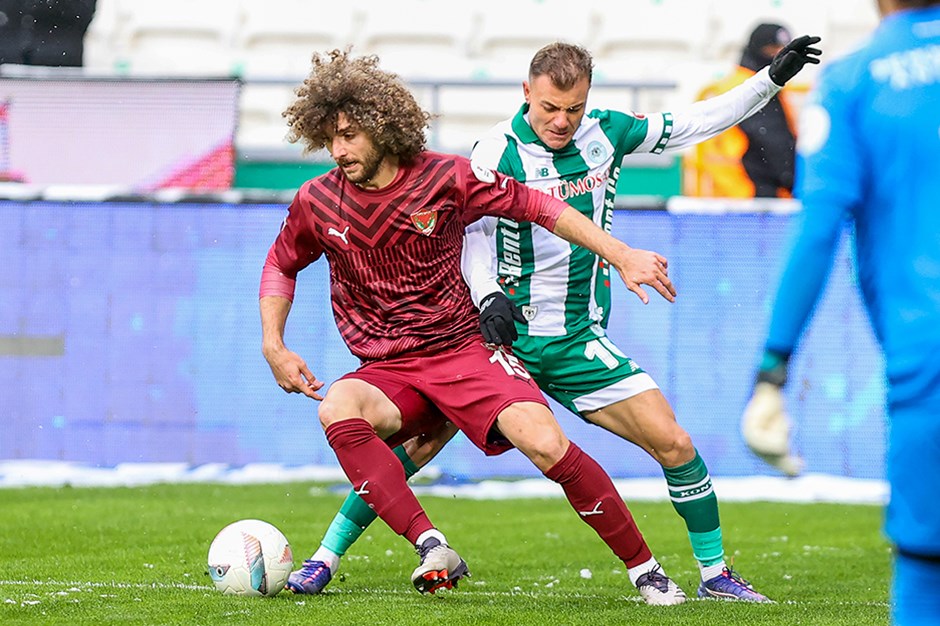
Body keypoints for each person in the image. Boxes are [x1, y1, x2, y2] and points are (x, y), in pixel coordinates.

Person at [291, 38, 821, 602]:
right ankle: (326, 556)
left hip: (575, 340)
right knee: (415, 446)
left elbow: (695, 121)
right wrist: (490, 295)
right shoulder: (495, 148)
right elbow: (464, 230)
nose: (562, 121)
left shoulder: (607, 133)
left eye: (574, 108)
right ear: (527, 93)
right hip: (498, 338)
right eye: (549, 108)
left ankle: (715, 576)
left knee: (674, 442)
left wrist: (769, 81)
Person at [262, 48, 688, 603]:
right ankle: (430, 544)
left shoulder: (445, 177)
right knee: (338, 407)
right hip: (390, 368)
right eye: (331, 136)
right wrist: (274, 343)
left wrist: (620, 252)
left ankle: (646, 570)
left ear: (385, 128)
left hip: (465, 349)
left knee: (543, 441)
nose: (339, 149)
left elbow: (540, 207)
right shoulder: (316, 200)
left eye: (351, 135)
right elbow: (280, 263)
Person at [739, 1, 940, 623]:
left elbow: (819, 230)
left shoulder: (855, 78)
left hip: (927, 359)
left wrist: (773, 369)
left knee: (925, 572)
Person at [685, 23, 800, 198]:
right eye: (773, 49)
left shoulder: (731, 83)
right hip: (751, 195)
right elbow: (774, 145)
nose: (778, 56)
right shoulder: (758, 88)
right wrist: (799, 184)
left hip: (723, 193)